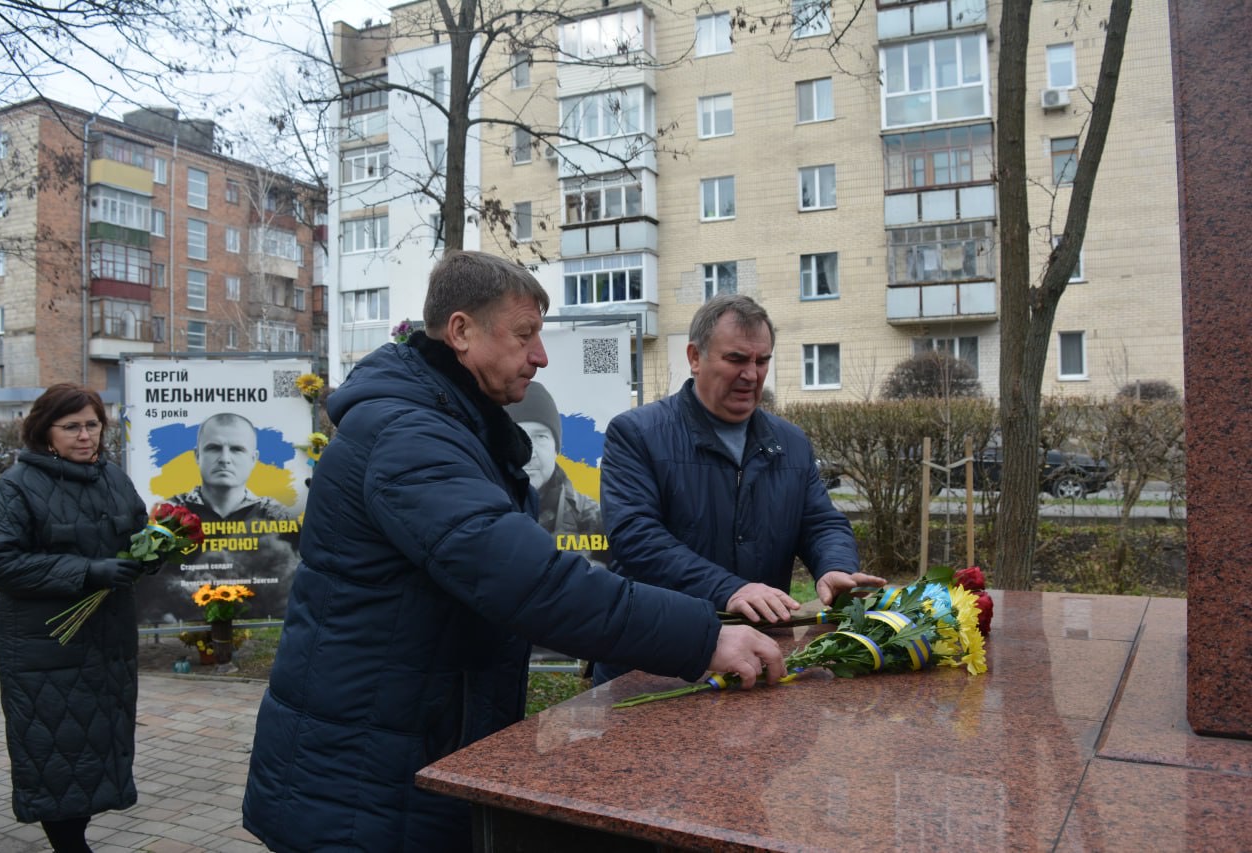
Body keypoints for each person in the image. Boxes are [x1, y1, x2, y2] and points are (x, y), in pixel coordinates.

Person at [241, 251, 786, 852]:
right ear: (461, 331)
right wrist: (703, 637)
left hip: (401, 744)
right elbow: (533, 584)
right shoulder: (410, 438)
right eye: (525, 335)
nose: (541, 355)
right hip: (362, 778)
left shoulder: (448, 427)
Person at [593, 294, 886, 685]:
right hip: (654, 659)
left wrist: (834, 567)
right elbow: (636, 538)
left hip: (755, 658)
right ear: (695, 357)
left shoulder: (791, 442)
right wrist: (729, 589)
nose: (751, 374)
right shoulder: (637, 434)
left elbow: (820, 522)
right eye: (736, 359)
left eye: (761, 361)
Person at [0, 384, 149, 852]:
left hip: (106, 643)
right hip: (45, 648)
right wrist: (88, 572)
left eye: (92, 424)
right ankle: (70, 845)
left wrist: (153, 553)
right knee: (56, 751)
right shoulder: (18, 486)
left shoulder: (113, 478)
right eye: (71, 427)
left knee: (96, 749)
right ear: (44, 432)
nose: (85, 436)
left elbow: (136, 531)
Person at [505, 380, 606, 563]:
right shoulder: (480, 510)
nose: (530, 453)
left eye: (540, 436)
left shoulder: (594, 518)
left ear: (556, 449)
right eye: (517, 436)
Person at [166, 412, 294, 523]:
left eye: (237, 449)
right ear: (197, 456)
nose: (225, 459)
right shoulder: (168, 513)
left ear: (253, 459)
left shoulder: (278, 517)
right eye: (214, 448)